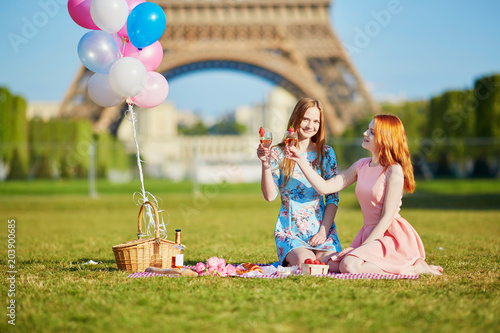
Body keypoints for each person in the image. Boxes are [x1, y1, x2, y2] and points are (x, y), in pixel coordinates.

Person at [286, 114, 443, 275]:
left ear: (386, 138)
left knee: (349, 265)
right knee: (332, 265)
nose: (365, 133)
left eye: (372, 132)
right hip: (368, 233)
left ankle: (413, 269)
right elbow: (325, 188)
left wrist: (361, 249)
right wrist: (299, 160)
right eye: (368, 129)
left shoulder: (393, 170)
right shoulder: (361, 165)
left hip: (389, 235)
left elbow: (386, 218)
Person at [257, 98, 341, 267]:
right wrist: (265, 164)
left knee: (334, 265)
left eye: (316, 121)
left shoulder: (326, 153)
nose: (311, 125)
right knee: (307, 263)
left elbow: (332, 199)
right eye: (306, 119)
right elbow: (269, 196)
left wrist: (324, 232)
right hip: (290, 232)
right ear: (296, 119)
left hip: (321, 229)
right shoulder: (278, 153)